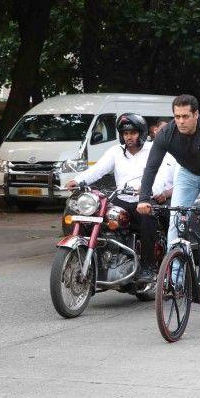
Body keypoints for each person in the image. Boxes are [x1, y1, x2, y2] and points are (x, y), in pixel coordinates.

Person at [137, 94, 200, 297]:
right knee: (176, 222)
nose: (180, 121)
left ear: (196, 114)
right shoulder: (166, 134)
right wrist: (144, 198)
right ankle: (176, 276)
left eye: (185, 116)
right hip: (187, 175)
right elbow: (151, 168)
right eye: (177, 116)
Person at [66, 113, 169, 282]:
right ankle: (89, 259)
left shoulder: (153, 150)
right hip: (121, 199)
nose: (128, 137)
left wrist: (148, 189)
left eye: (133, 133)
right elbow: (97, 170)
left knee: (147, 217)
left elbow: (162, 175)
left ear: (142, 133)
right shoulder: (115, 151)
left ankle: (147, 267)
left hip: (143, 199)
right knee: (91, 215)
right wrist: (77, 180)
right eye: (125, 133)